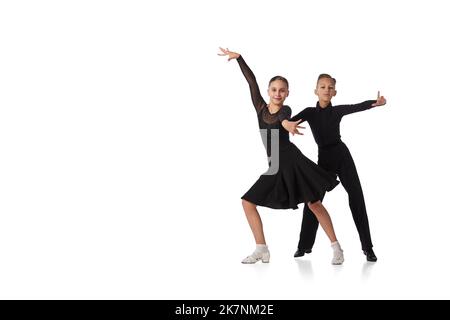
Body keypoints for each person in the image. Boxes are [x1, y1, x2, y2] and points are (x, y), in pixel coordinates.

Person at [218, 48, 344, 265]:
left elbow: (283, 120)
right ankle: (262, 249)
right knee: (248, 202)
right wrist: (240, 59)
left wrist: (286, 125)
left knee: (314, 204)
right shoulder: (260, 108)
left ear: (287, 93)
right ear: (268, 91)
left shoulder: (286, 110)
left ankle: (337, 248)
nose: (278, 93)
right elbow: (251, 81)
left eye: (282, 91)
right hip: (275, 164)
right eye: (274, 89)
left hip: (292, 162)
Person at [284, 73, 386, 262]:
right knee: (313, 200)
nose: (326, 90)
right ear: (316, 91)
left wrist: (376, 102)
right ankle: (304, 246)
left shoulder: (337, 110)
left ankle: (368, 248)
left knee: (356, 196)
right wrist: (281, 121)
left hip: (342, 156)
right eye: (322, 87)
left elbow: (356, 107)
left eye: (330, 87)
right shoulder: (309, 112)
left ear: (335, 92)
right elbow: (287, 123)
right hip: (324, 159)